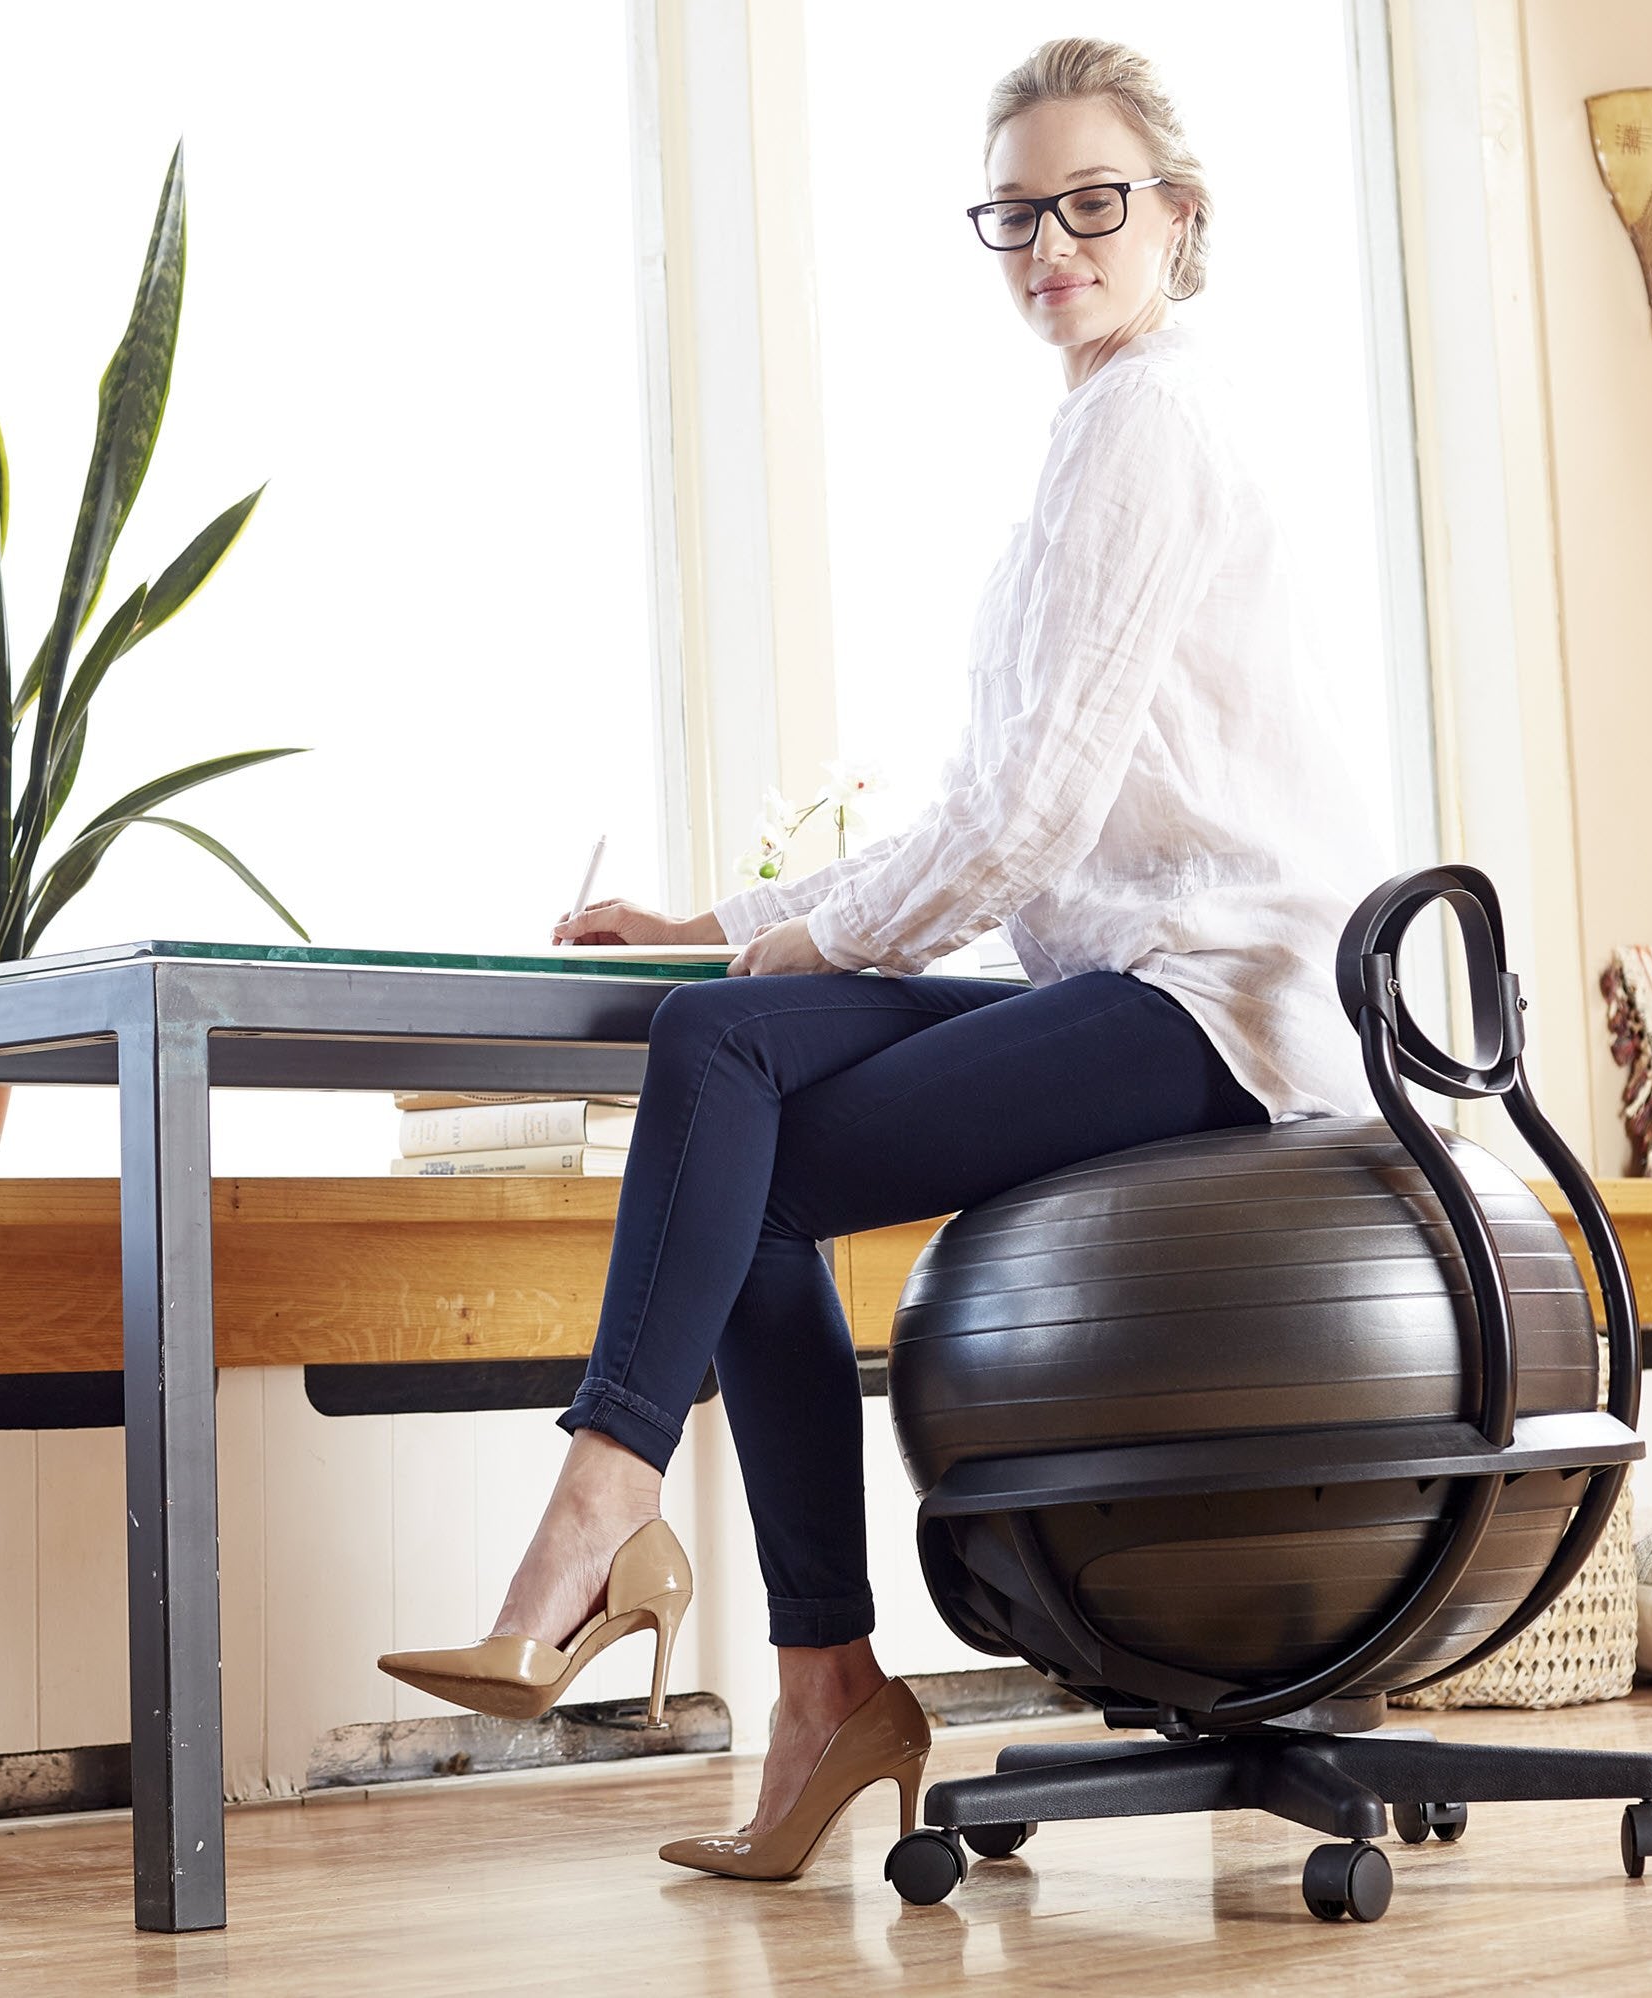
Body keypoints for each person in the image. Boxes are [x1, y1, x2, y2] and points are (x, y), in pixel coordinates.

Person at [378, 35, 1379, 1880]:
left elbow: (1026, 823)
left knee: (734, 1143)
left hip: (1227, 1001)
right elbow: (988, 808)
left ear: (1181, 216)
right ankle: (794, 1659)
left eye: (1092, 202)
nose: (1049, 243)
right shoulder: (1092, 432)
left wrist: (793, 938)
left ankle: (616, 1549)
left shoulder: (1153, 420)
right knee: (717, 1057)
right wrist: (714, 931)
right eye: (1014, 211)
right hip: (1117, 979)